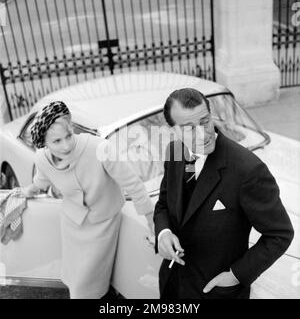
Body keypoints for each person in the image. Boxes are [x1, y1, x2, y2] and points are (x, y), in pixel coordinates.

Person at [154, 88, 294, 299]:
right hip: (173, 284)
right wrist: (163, 233)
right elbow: (164, 203)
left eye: (204, 121)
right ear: (173, 131)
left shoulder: (248, 169)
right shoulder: (174, 151)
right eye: (189, 128)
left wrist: (236, 276)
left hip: (217, 292)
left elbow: (280, 234)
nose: (202, 134)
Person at [21, 101, 154, 299]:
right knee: (75, 279)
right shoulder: (42, 158)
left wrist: (152, 220)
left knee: (87, 286)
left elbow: (132, 183)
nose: (66, 145)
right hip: (72, 225)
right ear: (44, 144)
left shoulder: (99, 147)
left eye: (68, 136)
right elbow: (40, 182)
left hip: (104, 223)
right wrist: (23, 192)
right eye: (56, 141)